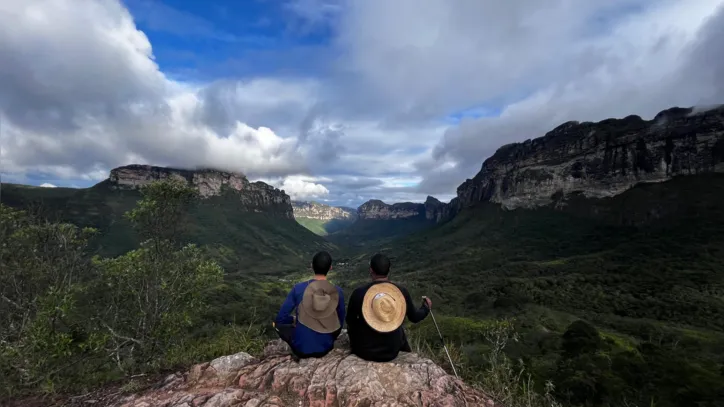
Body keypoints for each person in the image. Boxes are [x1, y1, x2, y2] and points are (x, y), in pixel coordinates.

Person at [346, 253, 432, 362]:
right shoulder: (401, 292)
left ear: (371, 270)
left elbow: (350, 321)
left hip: (364, 351)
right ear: (389, 270)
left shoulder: (359, 293)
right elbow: (414, 317)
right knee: (399, 328)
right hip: (392, 351)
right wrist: (426, 308)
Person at [273, 251, 345, 359]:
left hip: (300, 349)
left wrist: (293, 320)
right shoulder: (337, 291)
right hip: (326, 348)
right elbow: (340, 322)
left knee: (276, 324)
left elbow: (280, 319)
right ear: (330, 268)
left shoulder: (298, 288)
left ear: (311, 266)